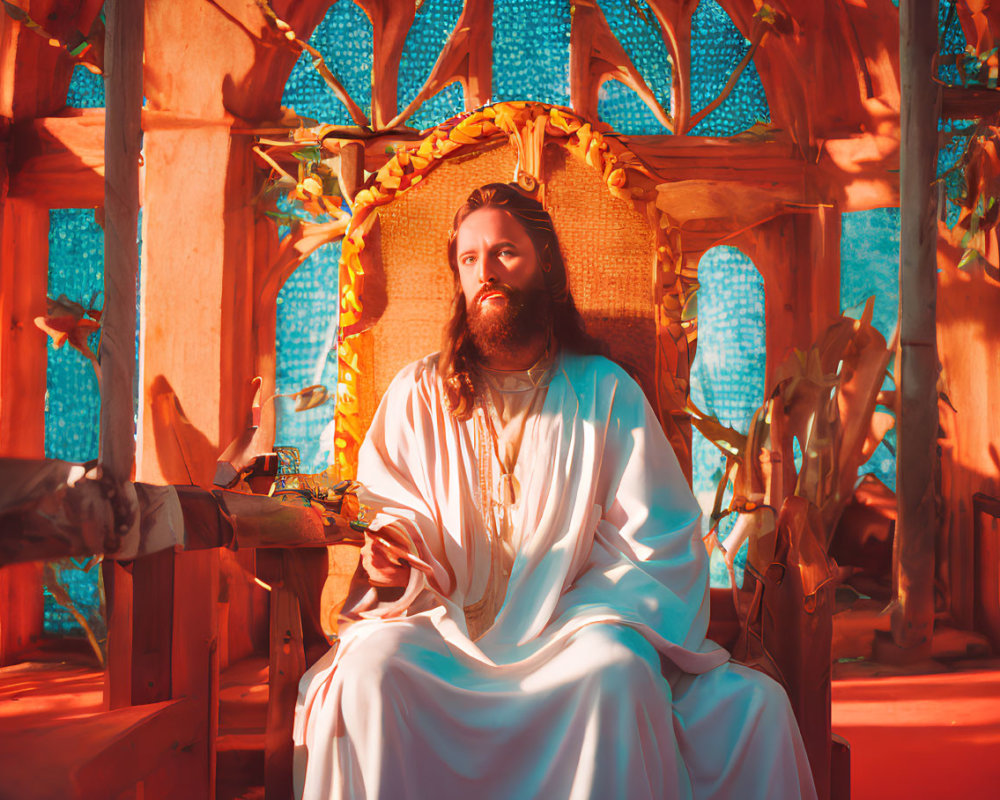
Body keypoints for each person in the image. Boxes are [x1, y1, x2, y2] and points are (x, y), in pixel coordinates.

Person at [294, 183, 817, 800]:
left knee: (617, 674)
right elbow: (396, 508)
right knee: (371, 674)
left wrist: (573, 611)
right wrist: (396, 549)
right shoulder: (417, 393)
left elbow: (656, 548)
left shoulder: (605, 391)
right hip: (441, 631)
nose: (485, 272)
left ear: (547, 266)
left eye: (504, 253)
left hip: (571, 638)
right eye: (469, 260)